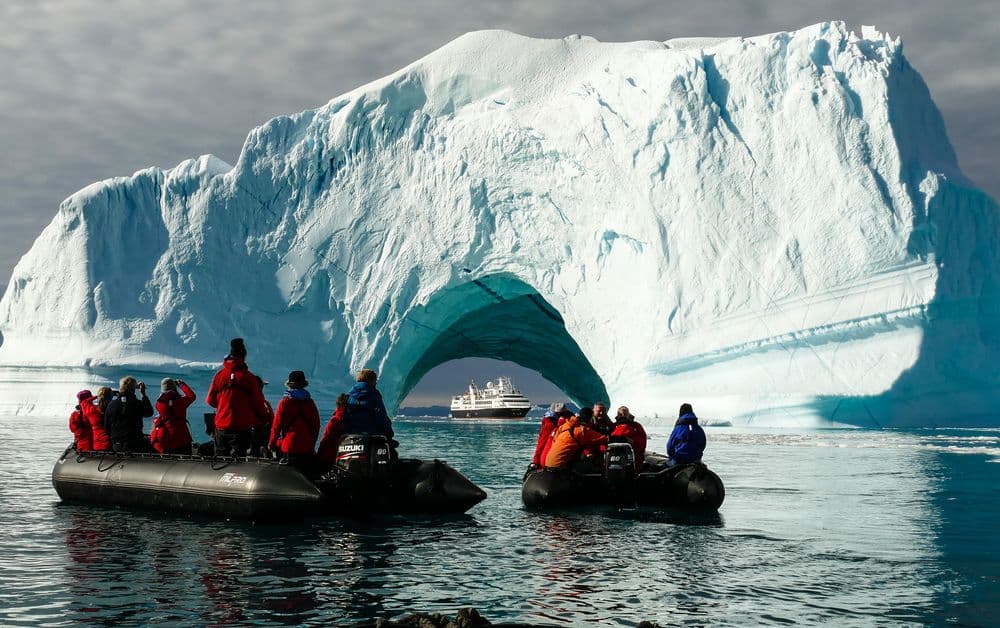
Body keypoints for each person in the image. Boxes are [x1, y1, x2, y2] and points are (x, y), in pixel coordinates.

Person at [206, 338, 271, 456]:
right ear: (244, 356)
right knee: (239, 461)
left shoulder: (219, 375)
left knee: (220, 458)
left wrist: (223, 406)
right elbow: (258, 403)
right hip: (240, 427)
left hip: (221, 426)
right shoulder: (249, 378)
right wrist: (264, 417)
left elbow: (210, 400)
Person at [268, 371, 321, 462]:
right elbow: (316, 425)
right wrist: (311, 443)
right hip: (306, 447)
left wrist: (272, 444)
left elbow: (276, 426)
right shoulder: (310, 402)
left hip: (289, 446)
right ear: (304, 384)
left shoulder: (284, 402)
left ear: (289, 384)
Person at [544, 406, 608, 470]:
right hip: (560, 466)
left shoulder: (565, 426)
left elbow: (554, 440)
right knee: (594, 469)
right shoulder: (582, 430)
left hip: (548, 463)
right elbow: (605, 439)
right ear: (590, 419)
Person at [104, 376, 154, 452]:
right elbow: (149, 412)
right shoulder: (137, 404)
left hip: (117, 444)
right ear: (133, 389)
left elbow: (106, 427)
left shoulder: (112, 405)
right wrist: (143, 395)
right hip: (135, 443)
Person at [341, 368, 394, 439]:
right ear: (371, 380)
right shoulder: (374, 395)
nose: (376, 383)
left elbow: (344, 417)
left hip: (352, 434)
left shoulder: (349, 396)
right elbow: (381, 417)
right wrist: (389, 433)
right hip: (371, 434)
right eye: (375, 380)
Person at [150, 378, 196, 455]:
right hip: (182, 436)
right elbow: (191, 396)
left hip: (167, 437)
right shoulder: (181, 401)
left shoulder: (159, 403)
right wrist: (181, 384)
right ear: (174, 387)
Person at [317, 393, 350, 468]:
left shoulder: (335, 420)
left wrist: (318, 457)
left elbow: (325, 440)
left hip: (331, 459)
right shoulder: (353, 421)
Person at [610, 405, 647, 470]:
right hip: (614, 457)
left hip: (634, 458)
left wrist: (632, 441)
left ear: (628, 414)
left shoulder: (636, 426)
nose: (623, 415)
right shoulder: (613, 426)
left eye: (625, 413)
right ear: (617, 415)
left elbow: (643, 441)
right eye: (621, 414)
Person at [529, 403, 562, 470]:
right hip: (545, 462)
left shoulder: (548, 420)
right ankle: (539, 464)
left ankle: (538, 463)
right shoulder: (550, 424)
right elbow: (542, 444)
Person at [83, 387, 114, 452]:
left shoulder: (91, 410)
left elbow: (84, 402)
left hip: (97, 444)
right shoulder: (113, 410)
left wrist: (97, 396)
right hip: (111, 444)